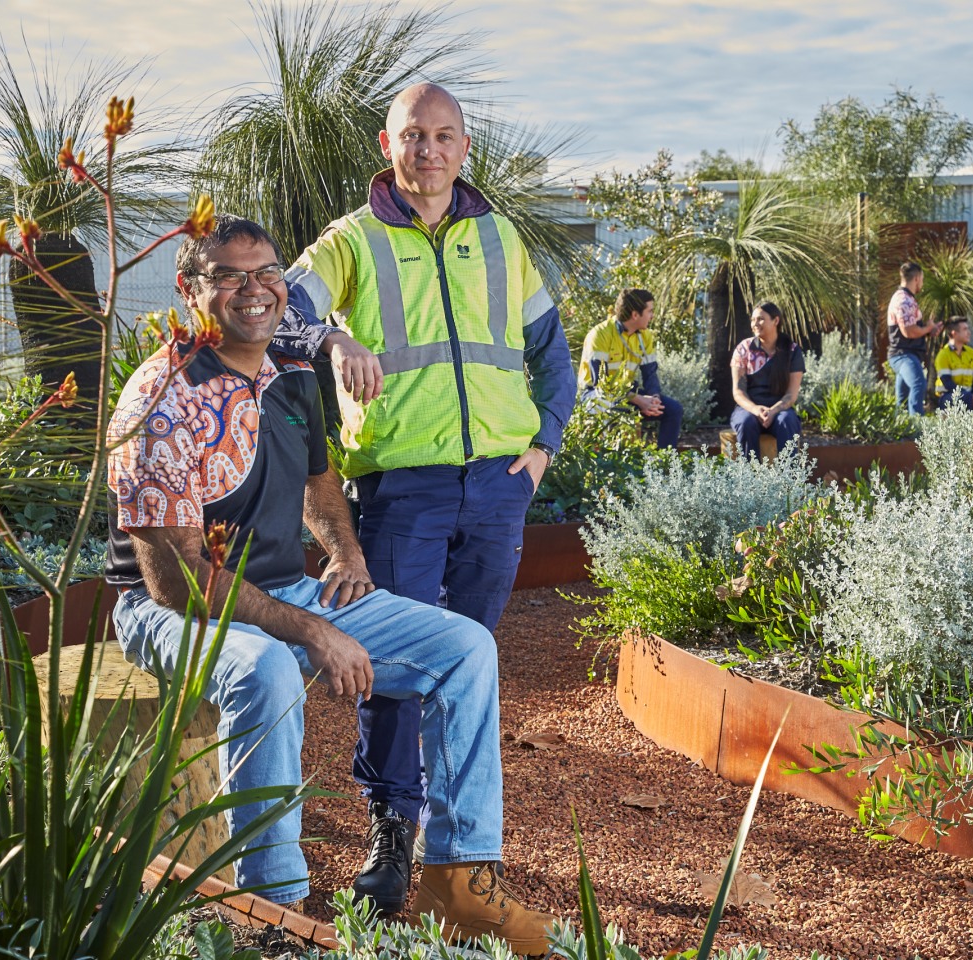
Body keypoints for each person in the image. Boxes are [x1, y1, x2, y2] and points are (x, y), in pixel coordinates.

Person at [105, 215, 557, 954]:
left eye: (267, 272)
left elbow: (318, 478)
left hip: (286, 588)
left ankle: (459, 880)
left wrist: (344, 554)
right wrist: (312, 629)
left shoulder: (288, 375)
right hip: (163, 611)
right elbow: (175, 580)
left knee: (465, 647)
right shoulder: (162, 397)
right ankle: (268, 909)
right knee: (264, 667)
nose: (255, 291)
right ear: (190, 291)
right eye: (229, 276)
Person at [272, 82, 575, 913]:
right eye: (414, 136)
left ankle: (460, 856)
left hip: (499, 489)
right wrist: (332, 333)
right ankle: (392, 830)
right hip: (402, 487)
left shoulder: (502, 237)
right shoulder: (352, 240)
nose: (429, 151)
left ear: (465, 147)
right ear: (387, 144)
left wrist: (543, 444)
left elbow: (553, 352)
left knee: (468, 659)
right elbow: (272, 307)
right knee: (399, 665)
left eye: (445, 137)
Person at [577, 288, 683, 447]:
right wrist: (638, 400)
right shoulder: (600, 334)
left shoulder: (645, 336)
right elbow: (600, 384)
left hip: (627, 393)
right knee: (616, 411)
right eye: (650, 311)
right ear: (635, 315)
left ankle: (665, 466)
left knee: (673, 410)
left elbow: (650, 374)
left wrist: (654, 399)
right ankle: (612, 465)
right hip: (595, 395)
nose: (652, 316)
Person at [730, 302, 804, 456]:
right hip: (749, 409)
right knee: (745, 423)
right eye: (753, 320)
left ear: (776, 321)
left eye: (760, 319)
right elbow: (738, 391)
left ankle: (789, 478)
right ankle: (750, 477)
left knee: (787, 421)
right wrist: (755, 409)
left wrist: (773, 410)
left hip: (780, 409)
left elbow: (791, 395)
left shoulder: (792, 350)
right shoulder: (744, 349)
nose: (755, 324)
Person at [886, 261, 942, 415]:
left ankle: (901, 430)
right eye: (922, 279)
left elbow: (912, 329)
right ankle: (917, 428)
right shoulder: (904, 300)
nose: (922, 284)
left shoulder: (904, 298)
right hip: (903, 355)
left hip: (905, 354)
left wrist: (929, 331)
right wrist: (928, 328)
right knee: (918, 384)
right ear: (917, 278)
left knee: (902, 400)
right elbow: (909, 332)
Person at [932, 316, 973, 411]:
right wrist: (971, 398)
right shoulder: (943, 355)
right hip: (948, 396)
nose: (969, 332)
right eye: (965, 329)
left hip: (970, 394)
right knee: (966, 398)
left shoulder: (971, 353)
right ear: (954, 333)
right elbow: (948, 383)